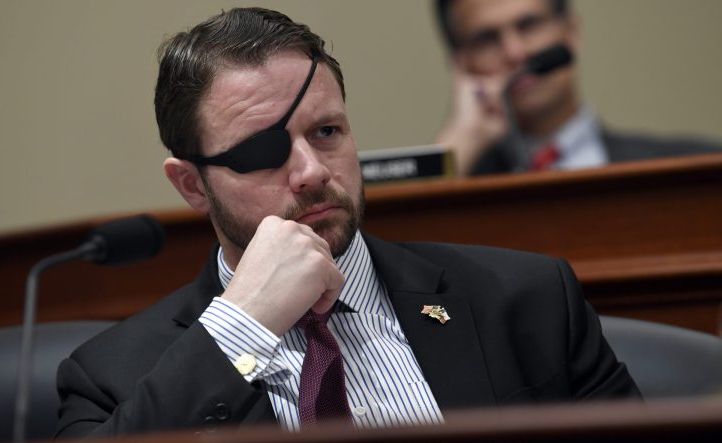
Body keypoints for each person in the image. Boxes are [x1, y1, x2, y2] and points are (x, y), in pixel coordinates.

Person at [55, 7, 639, 438]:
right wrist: (242, 325)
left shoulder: (527, 300)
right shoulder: (111, 377)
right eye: (262, 152)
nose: (310, 171)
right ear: (191, 185)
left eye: (327, 133)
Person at [434, 0, 721, 176]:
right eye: (487, 38)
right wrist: (459, 143)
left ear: (571, 33)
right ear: (461, 65)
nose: (515, 52)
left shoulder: (697, 170)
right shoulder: (462, 183)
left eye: (529, 25)